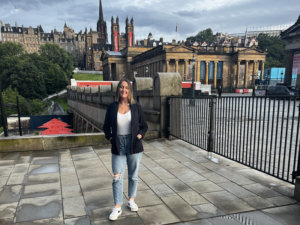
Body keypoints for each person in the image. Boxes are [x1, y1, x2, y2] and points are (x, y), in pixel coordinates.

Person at [103, 78, 148, 221]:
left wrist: (139, 136)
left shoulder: (136, 107)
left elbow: (144, 125)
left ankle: (131, 199)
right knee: (117, 176)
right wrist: (110, 138)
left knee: (133, 175)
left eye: (126, 87)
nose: (124, 90)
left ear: (130, 91)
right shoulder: (112, 107)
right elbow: (106, 127)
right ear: (118, 90)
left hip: (134, 144)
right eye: (121, 87)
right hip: (118, 145)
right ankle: (117, 206)